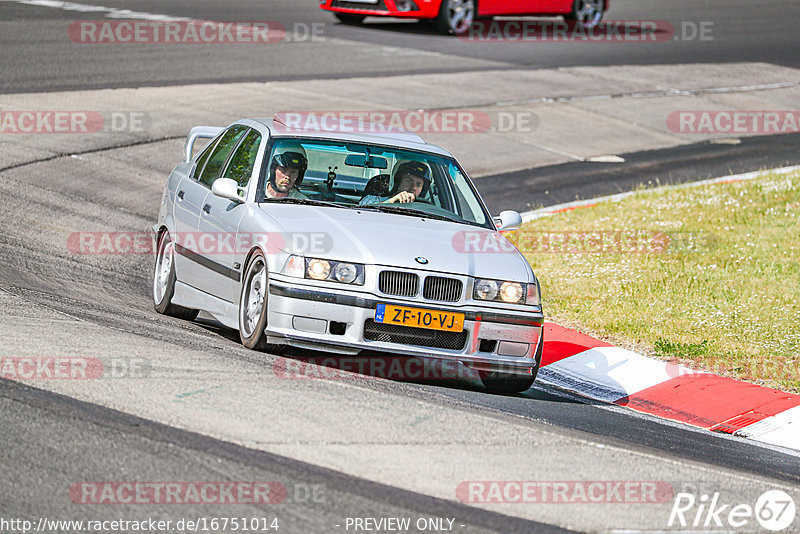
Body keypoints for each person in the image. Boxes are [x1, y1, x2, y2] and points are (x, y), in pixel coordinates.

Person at [359, 160, 431, 205]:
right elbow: (362, 210)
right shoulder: (375, 200)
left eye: (418, 184)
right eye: (408, 181)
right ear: (397, 182)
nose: (413, 187)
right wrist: (391, 202)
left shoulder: (428, 209)